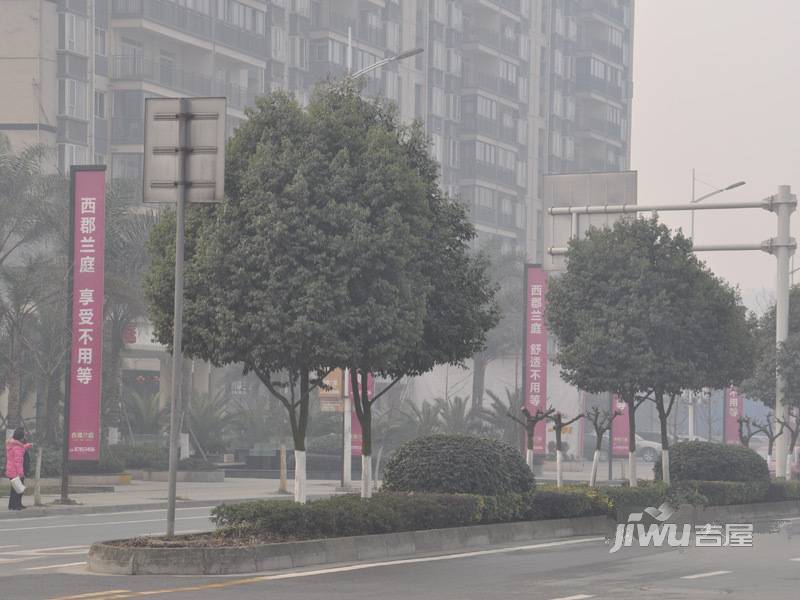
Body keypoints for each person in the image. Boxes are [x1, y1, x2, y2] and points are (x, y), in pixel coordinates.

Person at [6, 428, 32, 510]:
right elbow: (18, 462)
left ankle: (13, 505)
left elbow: (20, 448)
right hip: (16, 472)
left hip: (11, 470)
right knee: (18, 489)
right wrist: (21, 473)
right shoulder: (17, 447)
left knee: (15, 489)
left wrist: (26, 446)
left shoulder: (13, 444)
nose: (24, 437)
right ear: (20, 437)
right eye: (23, 436)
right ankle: (15, 505)